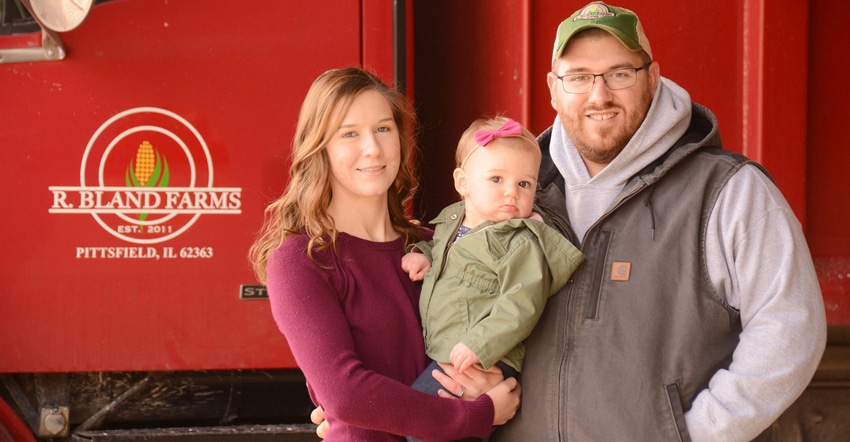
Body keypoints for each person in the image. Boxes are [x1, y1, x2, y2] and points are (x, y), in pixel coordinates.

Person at [488, 2, 828, 441]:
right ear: (554, 88)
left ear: (652, 78)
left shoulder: (728, 192)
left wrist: (694, 435)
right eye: (578, 77)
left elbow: (790, 327)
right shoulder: (519, 193)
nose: (599, 94)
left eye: (619, 73)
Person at [248, 67, 520, 441]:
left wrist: (490, 379)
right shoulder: (301, 260)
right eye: (349, 134)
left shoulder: (435, 244)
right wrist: (476, 414)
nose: (373, 148)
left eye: (383, 128)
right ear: (319, 148)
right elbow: (346, 394)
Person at [402, 116, 584, 405]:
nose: (512, 191)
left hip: (485, 357)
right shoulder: (453, 221)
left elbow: (522, 304)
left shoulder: (520, 242)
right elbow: (443, 249)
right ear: (463, 183)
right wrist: (423, 255)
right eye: (496, 179)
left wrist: (479, 345)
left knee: (417, 421)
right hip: (445, 348)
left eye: (524, 183)